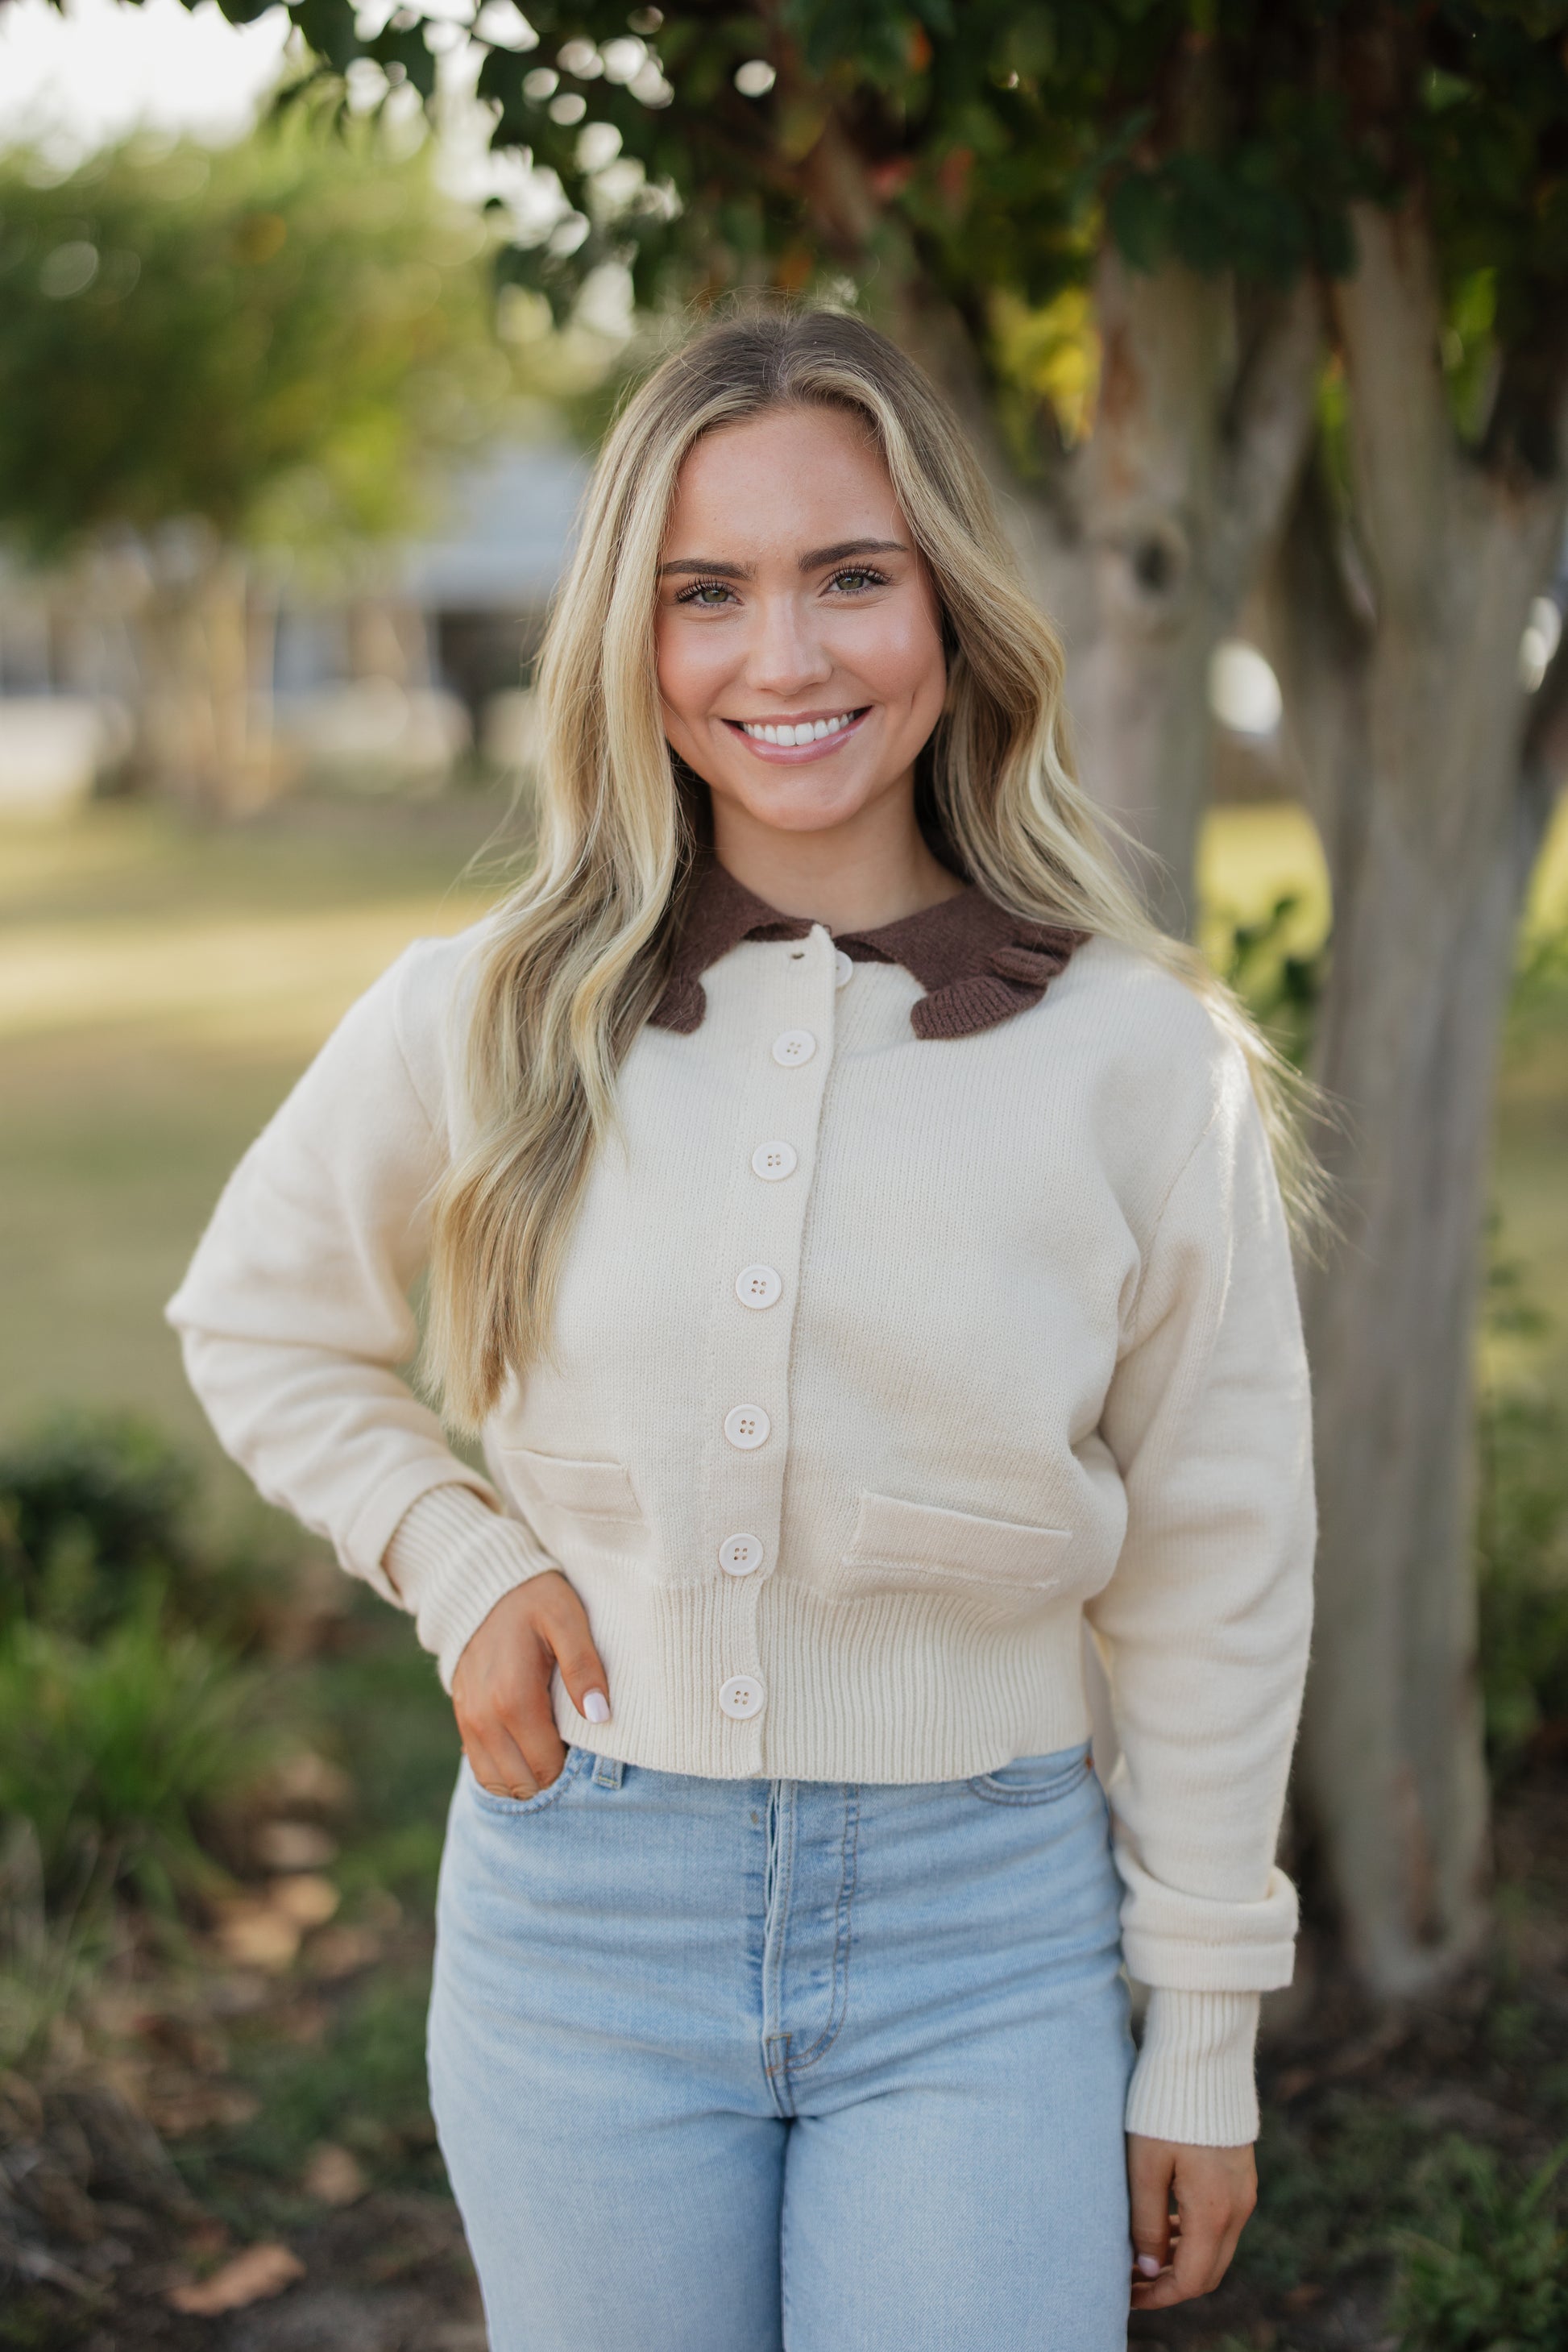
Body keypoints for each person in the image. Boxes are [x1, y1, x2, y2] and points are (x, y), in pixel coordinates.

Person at [166, 309, 1317, 2352]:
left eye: (848, 577)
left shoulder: (1141, 1059)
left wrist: (1200, 2037)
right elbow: (260, 1321)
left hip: (987, 1939)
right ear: (635, 636)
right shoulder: (488, 1008)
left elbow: (1220, 1566)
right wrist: (463, 1558)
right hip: (578, 1926)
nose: (781, 661)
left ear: (949, 610)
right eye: (708, 593)